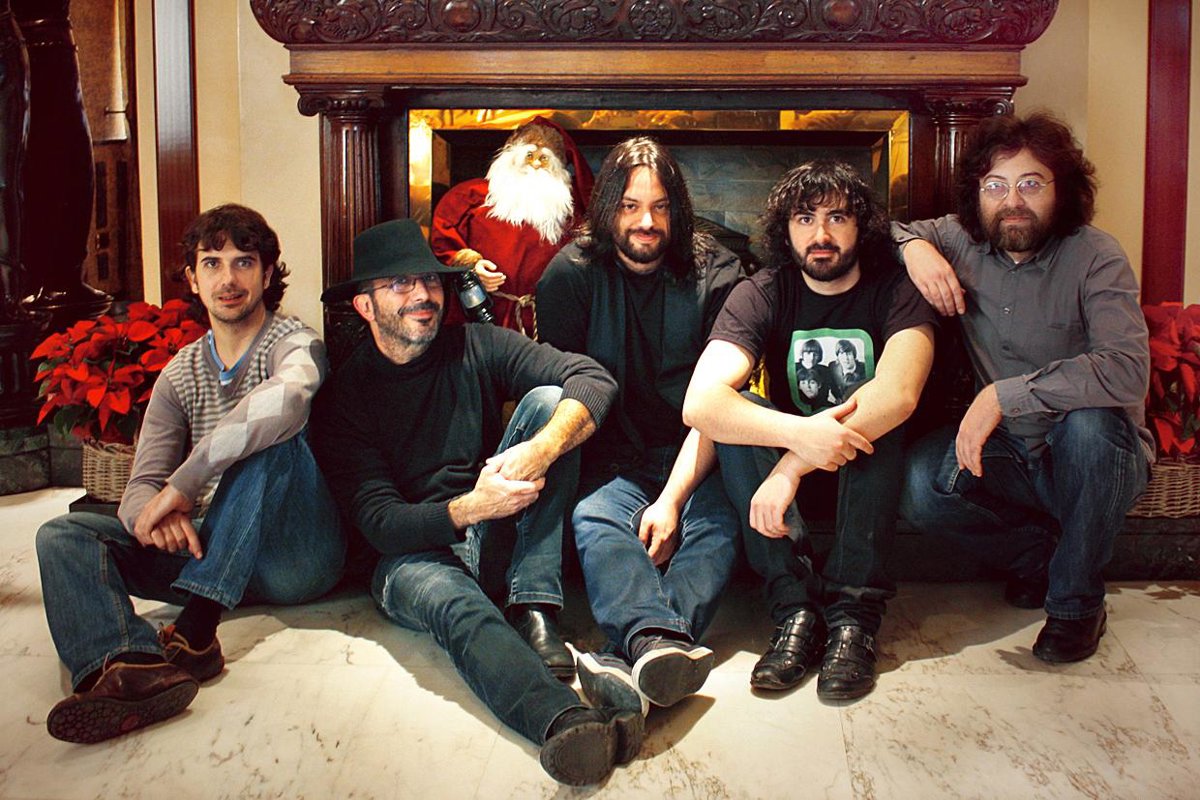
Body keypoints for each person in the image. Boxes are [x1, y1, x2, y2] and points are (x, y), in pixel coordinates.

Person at [311, 219, 641, 786]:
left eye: (430, 281)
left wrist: (541, 448)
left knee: (550, 404)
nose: (423, 295)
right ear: (365, 306)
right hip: (410, 558)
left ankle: (533, 607)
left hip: (495, 534)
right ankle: (565, 722)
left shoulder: (475, 345)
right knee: (455, 606)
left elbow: (591, 378)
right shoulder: (344, 397)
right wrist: (472, 507)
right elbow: (381, 524)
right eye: (400, 284)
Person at [35, 204, 345, 743]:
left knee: (269, 435)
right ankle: (127, 666)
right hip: (210, 551)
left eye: (244, 262)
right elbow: (140, 486)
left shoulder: (296, 342)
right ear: (193, 279)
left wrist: (183, 485)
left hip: (293, 554)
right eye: (212, 264)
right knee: (63, 534)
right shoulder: (179, 373)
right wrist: (155, 517)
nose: (229, 280)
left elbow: (287, 400)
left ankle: (197, 628)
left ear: (267, 275)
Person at [895, 112, 1152, 663]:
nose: (1012, 201)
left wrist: (1002, 395)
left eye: (1031, 184)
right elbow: (887, 229)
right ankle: (1043, 559)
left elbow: (1127, 369)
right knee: (920, 484)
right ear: (977, 194)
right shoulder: (959, 240)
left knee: (1088, 425)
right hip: (1011, 451)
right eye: (996, 186)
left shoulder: (1096, 255)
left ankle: (1077, 606)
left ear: (1063, 189)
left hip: (1095, 458)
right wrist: (915, 250)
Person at [683, 160, 937, 701]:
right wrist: (797, 437)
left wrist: (790, 466)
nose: (820, 234)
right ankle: (795, 610)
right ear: (785, 229)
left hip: (868, 475)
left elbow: (900, 393)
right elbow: (700, 403)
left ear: (861, 226)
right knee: (740, 411)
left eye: (837, 217)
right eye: (804, 219)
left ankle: (853, 617)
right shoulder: (763, 292)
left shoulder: (897, 290)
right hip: (789, 487)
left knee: (877, 411)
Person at [538, 137, 743, 715]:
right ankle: (660, 647)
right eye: (629, 206)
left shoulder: (718, 273)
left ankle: (634, 650)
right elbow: (565, 394)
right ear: (607, 208)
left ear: (678, 210)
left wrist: (674, 499)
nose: (646, 222)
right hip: (614, 462)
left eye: (659, 207)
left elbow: (725, 402)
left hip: (697, 456)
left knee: (719, 526)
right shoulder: (570, 275)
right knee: (593, 517)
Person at [431, 116, 593, 336]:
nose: (536, 164)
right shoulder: (469, 197)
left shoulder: (573, 213)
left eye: (544, 159)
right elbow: (443, 245)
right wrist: (471, 268)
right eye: (530, 155)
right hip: (486, 319)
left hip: (550, 321)